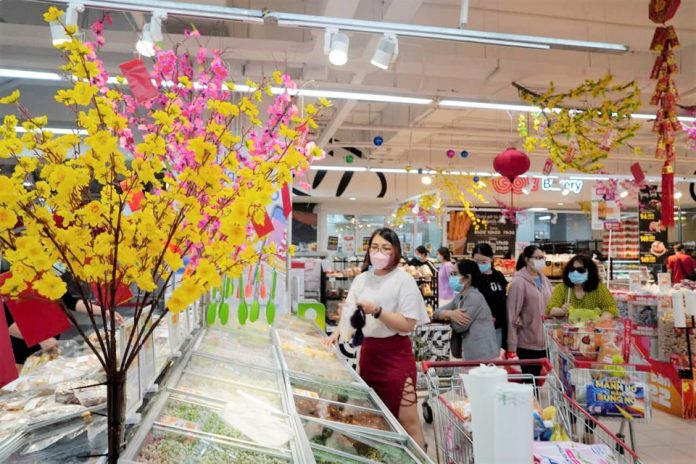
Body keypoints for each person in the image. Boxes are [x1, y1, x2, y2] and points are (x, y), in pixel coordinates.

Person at [325, 228, 429, 449]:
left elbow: (408, 324)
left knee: (408, 422)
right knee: (375, 421)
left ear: (395, 251)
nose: (379, 252)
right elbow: (349, 313)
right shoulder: (361, 279)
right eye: (375, 247)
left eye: (385, 248)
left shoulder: (404, 280)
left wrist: (377, 311)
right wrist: (336, 334)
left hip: (396, 358)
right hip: (369, 356)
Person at [3, 270, 123, 373]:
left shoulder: (46, 276)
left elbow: (70, 302)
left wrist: (104, 312)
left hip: (52, 347)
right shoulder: (9, 282)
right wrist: (41, 339)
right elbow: (6, 322)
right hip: (23, 355)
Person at [433, 259, 499, 360]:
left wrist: (448, 316)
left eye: (455, 274)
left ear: (467, 278)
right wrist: (449, 314)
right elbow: (436, 312)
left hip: (482, 355)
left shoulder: (473, 297)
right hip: (471, 353)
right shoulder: (460, 296)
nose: (451, 277)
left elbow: (460, 326)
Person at [507, 245, 552, 378]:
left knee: (542, 380)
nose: (541, 261)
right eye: (537, 258)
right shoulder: (518, 282)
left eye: (542, 258)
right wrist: (511, 346)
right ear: (526, 259)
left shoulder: (545, 280)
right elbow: (512, 314)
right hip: (527, 342)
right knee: (530, 381)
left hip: (546, 341)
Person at [547, 254, 617, 320]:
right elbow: (551, 309)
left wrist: (598, 323)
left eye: (580, 270)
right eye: (572, 269)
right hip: (568, 328)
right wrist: (562, 311)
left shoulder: (599, 288)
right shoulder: (561, 288)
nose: (575, 272)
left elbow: (610, 308)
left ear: (590, 272)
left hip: (593, 328)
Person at [472, 243, 508, 349]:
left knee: (496, 355)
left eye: (483, 262)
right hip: (479, 327)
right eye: (476, 262)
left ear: (491, 259)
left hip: (499, 325)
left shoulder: (498, 276)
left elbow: (506, 294)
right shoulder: (473, 278)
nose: (480, 265)